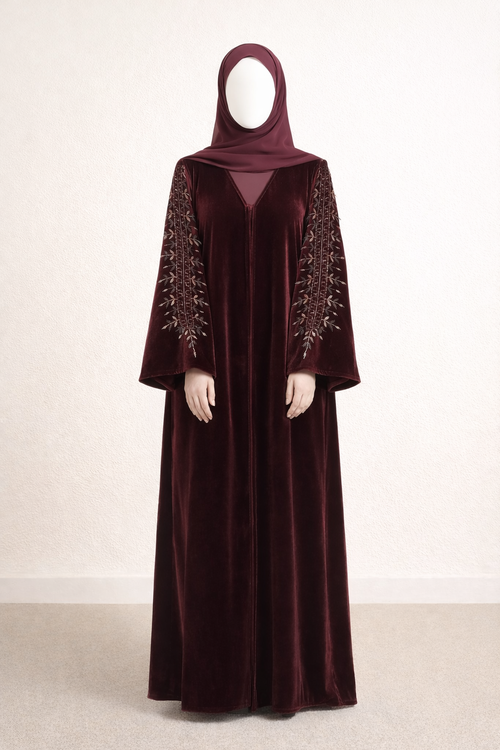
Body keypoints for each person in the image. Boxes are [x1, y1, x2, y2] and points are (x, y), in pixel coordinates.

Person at [139, 42, 361, 716]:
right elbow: (181, 265)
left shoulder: (310, 175)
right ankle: (216, 680)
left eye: (260, 87)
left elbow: (323, 268)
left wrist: (309, 362)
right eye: (237, 87)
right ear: (220, 96)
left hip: (290, 383)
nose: (249, 99)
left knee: (293, 522)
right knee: (210, 524)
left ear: (280, 96)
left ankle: (292, 677)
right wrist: (192, 360)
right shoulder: (194, 174)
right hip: (212, 383)